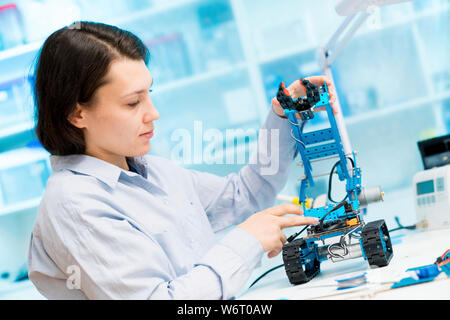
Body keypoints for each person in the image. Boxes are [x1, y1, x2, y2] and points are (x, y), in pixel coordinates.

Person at [27, 21, 336, 300]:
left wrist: (283, 115)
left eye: (149, 93)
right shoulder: (74, 205)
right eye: (133, 102)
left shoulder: (151, 170)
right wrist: (247, 242)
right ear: (76, 113)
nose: (153, 113)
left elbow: (244, 194)